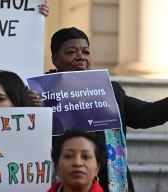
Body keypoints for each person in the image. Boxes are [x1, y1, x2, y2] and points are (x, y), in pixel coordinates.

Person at [46, 27, 168, 192]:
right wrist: (31, 106)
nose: (81, 57)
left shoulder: (109, 91)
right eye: (71, 52)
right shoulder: (41, 95)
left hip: (111, 185)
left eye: (86, 52)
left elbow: (145, 114)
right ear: (55, 59)